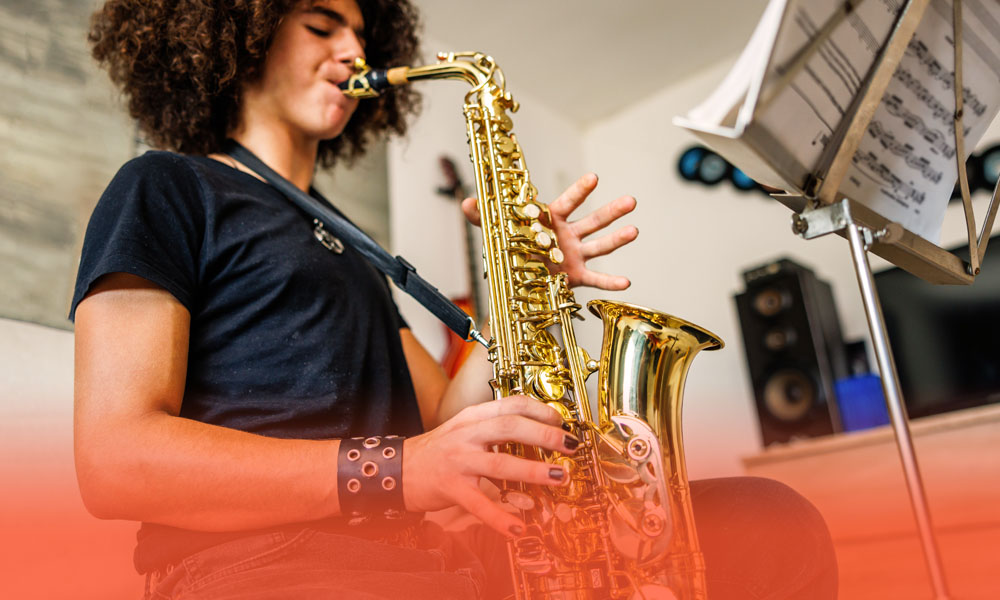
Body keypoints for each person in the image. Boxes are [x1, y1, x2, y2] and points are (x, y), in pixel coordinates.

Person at [73, 1, 838, 599]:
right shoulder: (164, 187)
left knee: (771, 526)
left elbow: (446, 422)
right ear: (240, 32)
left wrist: (529, 286)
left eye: (363, 33)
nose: (353, 51)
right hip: (258, 570)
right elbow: (114, 460)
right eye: (321, 25)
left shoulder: (345, 243)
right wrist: (399, 472)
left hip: (425, 562)